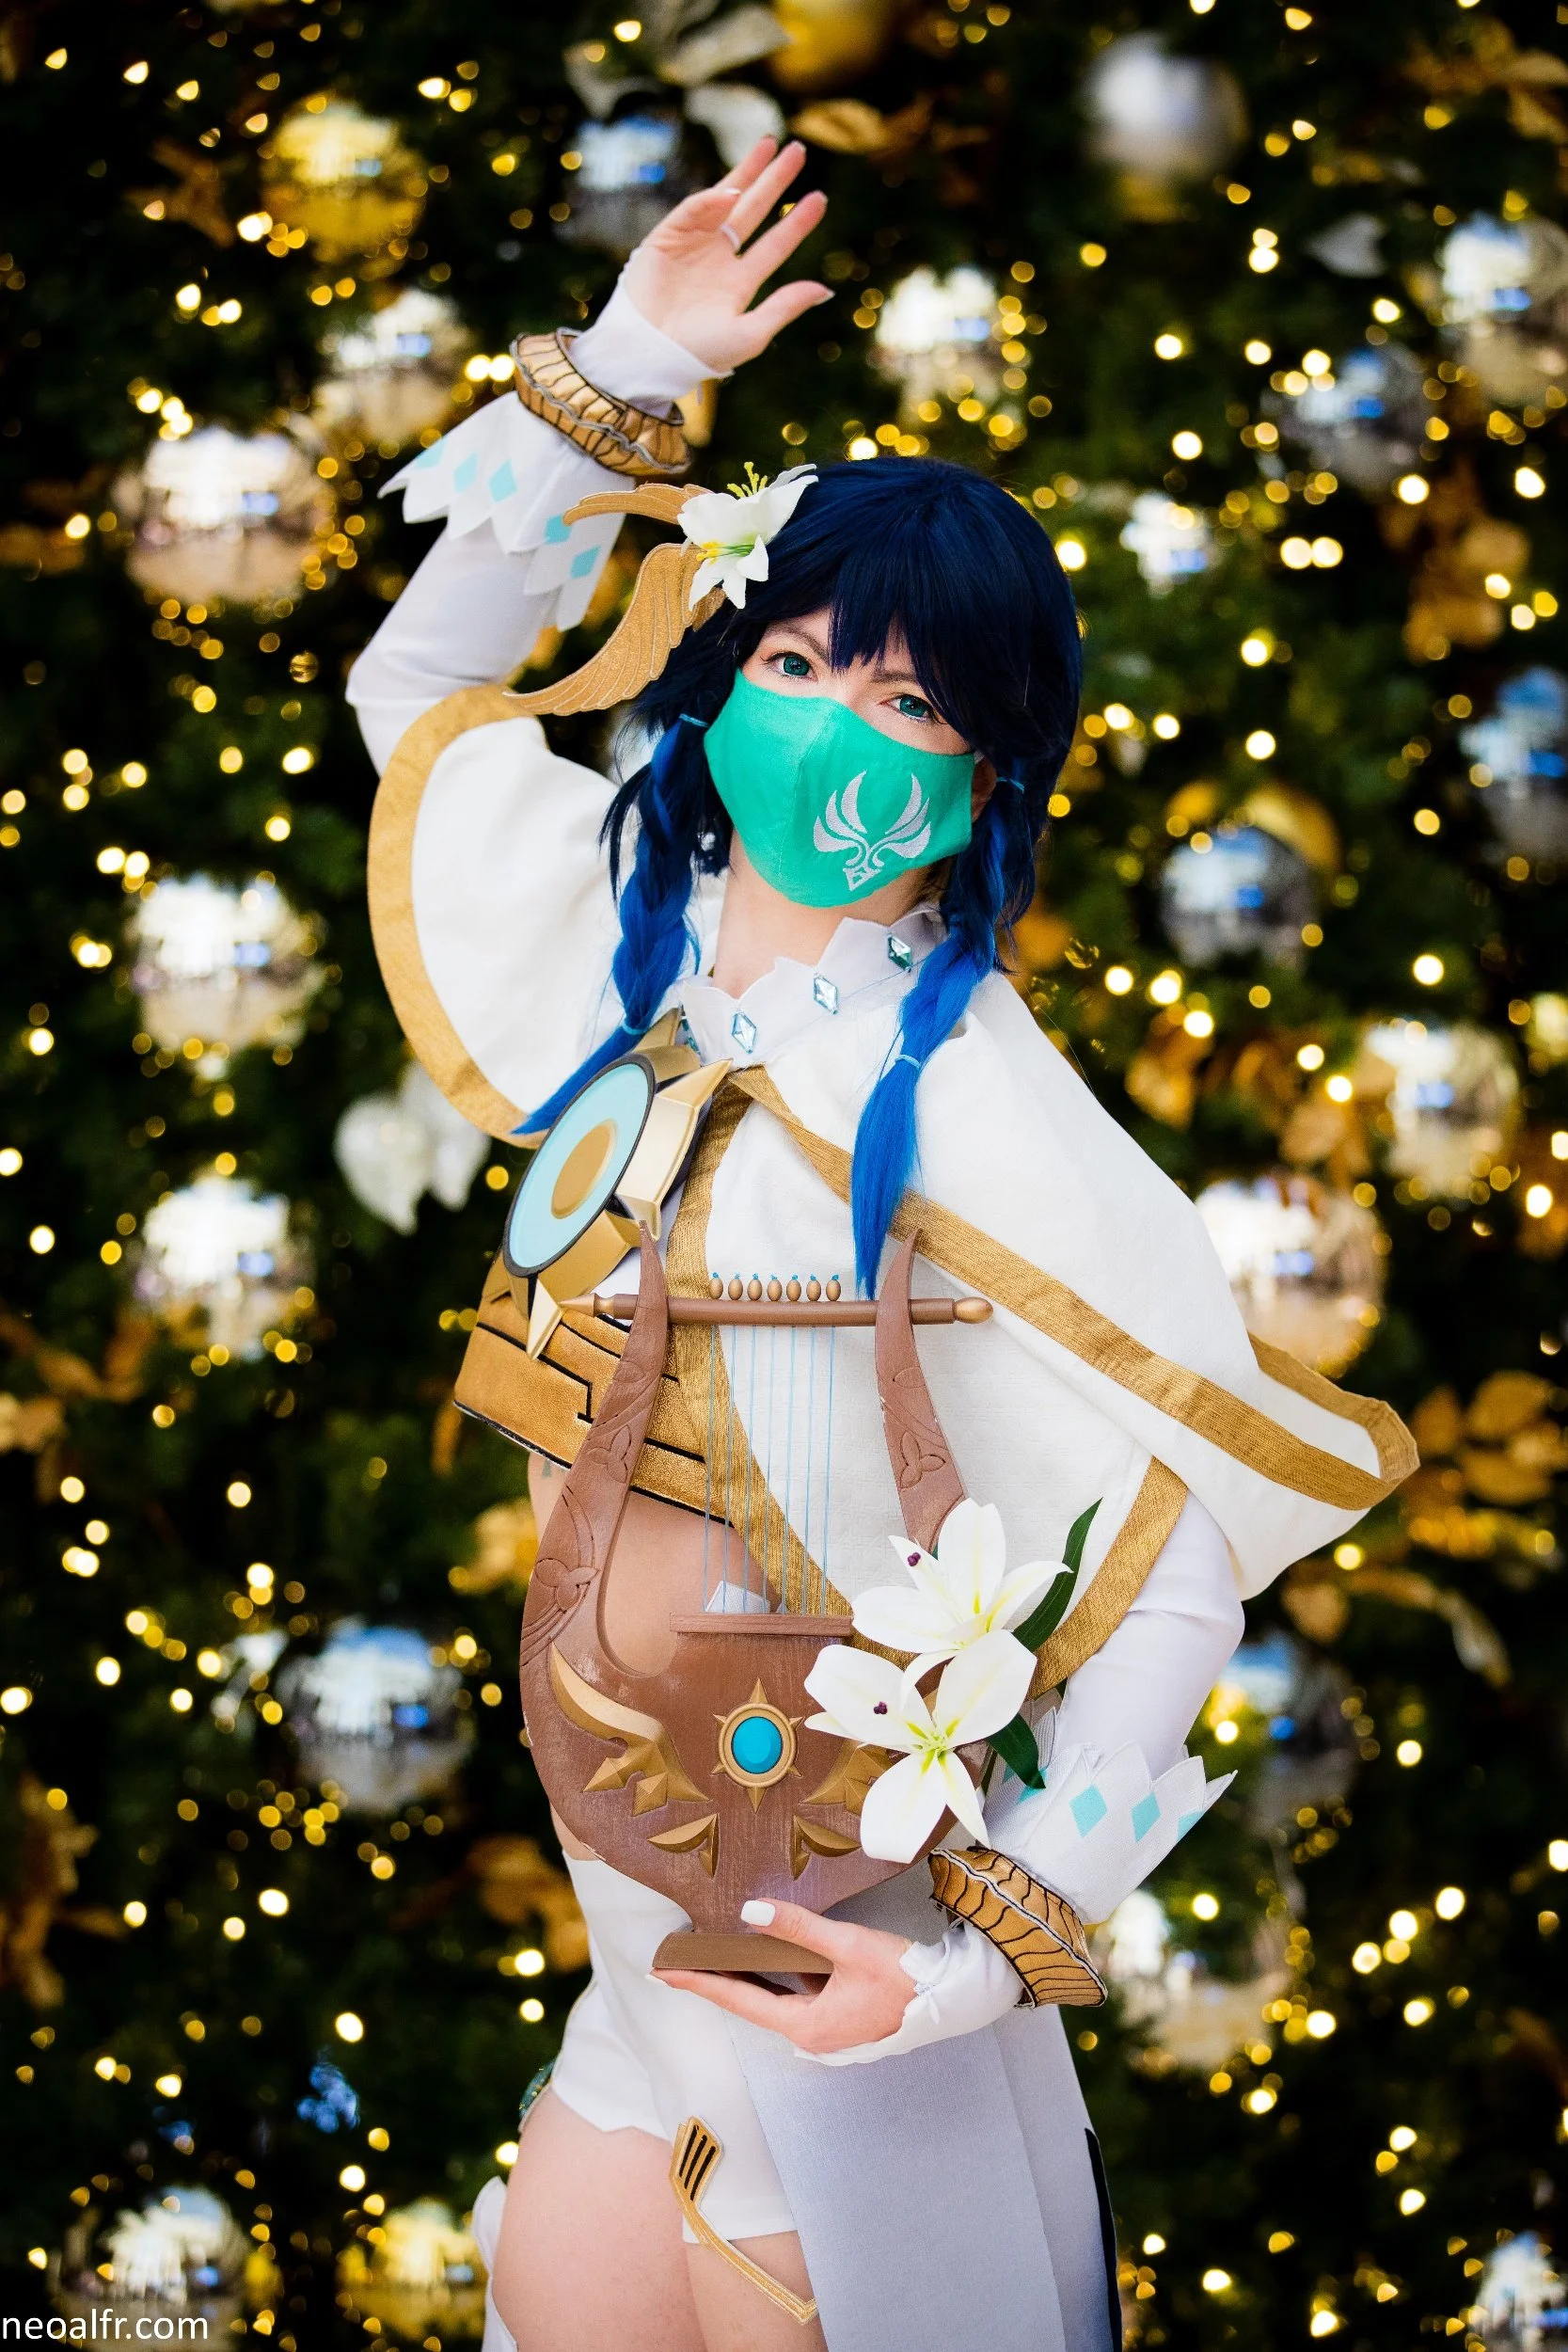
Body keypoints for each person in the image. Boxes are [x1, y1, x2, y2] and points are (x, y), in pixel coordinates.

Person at [348, 138, 1414, 2352]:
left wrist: (974, 1960)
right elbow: (413, 686)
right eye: (806, 658)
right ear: (724, 659)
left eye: (918, 702)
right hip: (628, 1990)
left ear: (990, 770)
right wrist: (628, 369)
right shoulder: (618, 957)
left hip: (837, 2005)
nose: (842, 724)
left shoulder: (989, 1119)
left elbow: (1177, 1559)